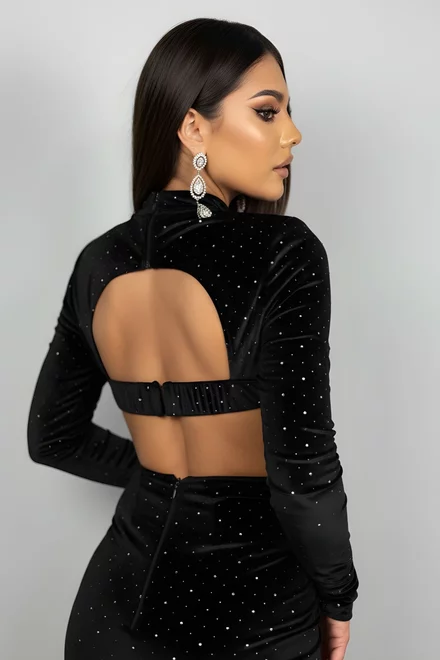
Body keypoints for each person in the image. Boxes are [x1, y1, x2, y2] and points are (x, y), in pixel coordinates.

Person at [27, 17, 359, 660]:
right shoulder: (284, 252)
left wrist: (163, 475)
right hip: (251, 621)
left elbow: (51, 436)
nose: (293, 133)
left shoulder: (99, 262)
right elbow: (303, 471)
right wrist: (338, 594)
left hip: (109, 617)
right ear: (193, 128)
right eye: (268, 111)